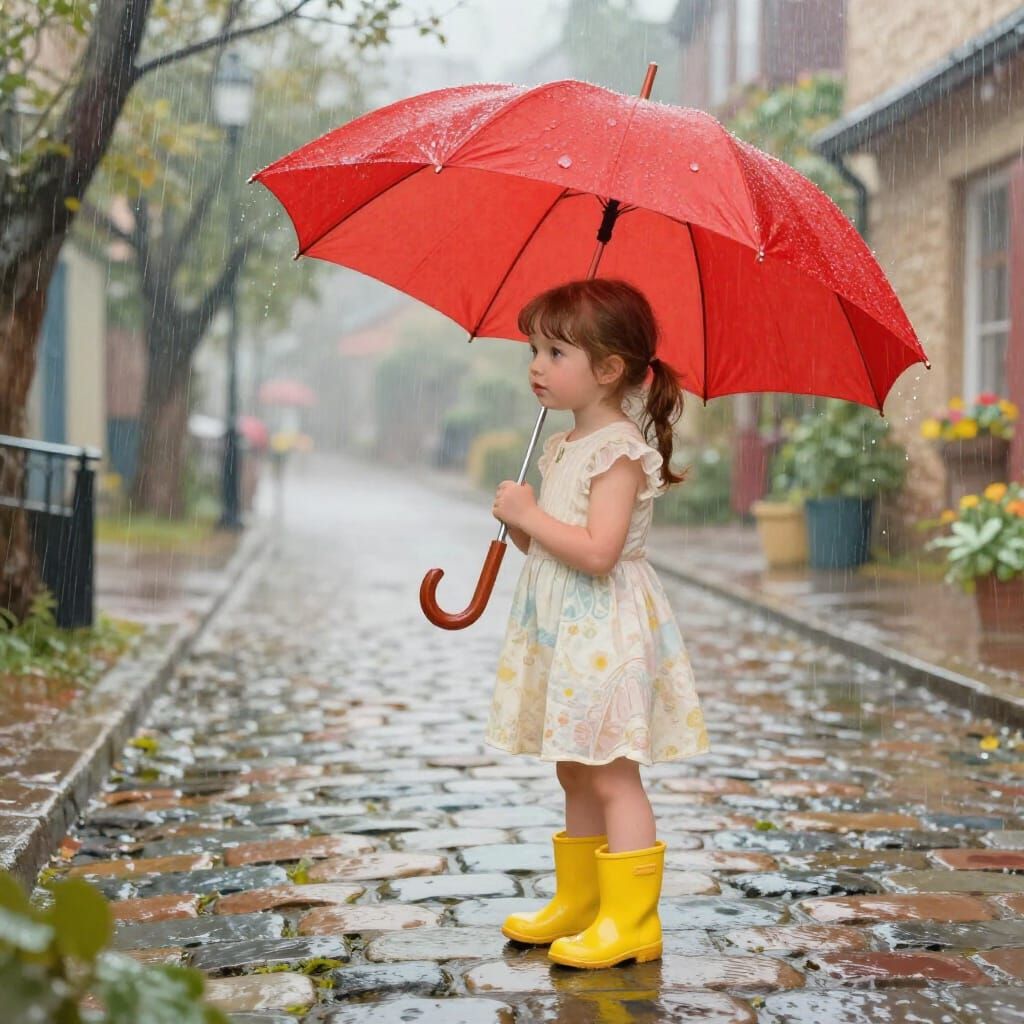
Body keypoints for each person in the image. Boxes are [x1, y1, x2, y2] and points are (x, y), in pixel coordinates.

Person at [485, 278, 709, 970]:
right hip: (562, 631)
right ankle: (581, 904)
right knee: (574, 771)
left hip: (603, 633)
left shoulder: (616, 450)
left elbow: (598, 552)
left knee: (612, 775)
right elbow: (553, 543)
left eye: (556, 351)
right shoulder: (562, 447)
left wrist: (528, 517)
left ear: (609, 370)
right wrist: (521, 524)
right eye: (534, 349)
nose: (536, 365)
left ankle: (632, 919)